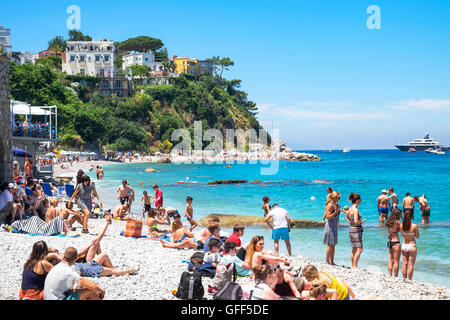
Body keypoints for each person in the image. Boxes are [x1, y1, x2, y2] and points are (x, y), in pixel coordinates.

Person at [74, 214, 140, 277]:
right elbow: (79, 254)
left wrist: (90, 245)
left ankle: (107, 223)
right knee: (113, 271)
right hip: (88, 267)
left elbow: (79, 254)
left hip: (86, 263)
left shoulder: (68, 261)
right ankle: (127, 271)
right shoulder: (67, 263)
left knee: (95, 242)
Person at [345, 193, 366, 269]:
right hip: (356, 230)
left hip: (351, 229)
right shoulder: (356, 210)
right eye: (360, 200)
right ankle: (355, 266)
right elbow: (356, 221)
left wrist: (350, 223)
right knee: (360, 249)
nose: (361, 201)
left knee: (354, 248)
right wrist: (362, 222)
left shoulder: (350, 208)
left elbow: (346, 216)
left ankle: (353, 265)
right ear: (357, 200)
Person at [400, 209, 419, 280]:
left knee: (404, 263)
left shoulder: (401, 225)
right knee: (411, 264)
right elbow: (417, 236)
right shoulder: (414, 226)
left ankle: (404, 279)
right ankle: (410, 280)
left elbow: (402, 235)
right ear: (411, 217)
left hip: (404, 245)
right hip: (412, 245)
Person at [323, 191, 341, 265]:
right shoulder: (330, 205)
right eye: (337, 197)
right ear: (333, 197)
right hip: (330, 226)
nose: (338, 199)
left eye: (339, 198)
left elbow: (337, 213)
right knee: (330, 245)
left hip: (334, 225)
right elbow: (328, 217)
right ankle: (327, 261)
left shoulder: (335, 205)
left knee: (333, 245)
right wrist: (336, 212)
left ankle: (332, 261)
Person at [385, 209, 402, 277]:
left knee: (391, 260)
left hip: (390, 242)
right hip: (396, 242)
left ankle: (389, 275)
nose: (401, 215)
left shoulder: (389, 222)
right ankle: (396, 277)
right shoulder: (397, 222)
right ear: (397, 215)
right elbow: (403, 229)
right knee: (396, 261)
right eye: (400, 214)